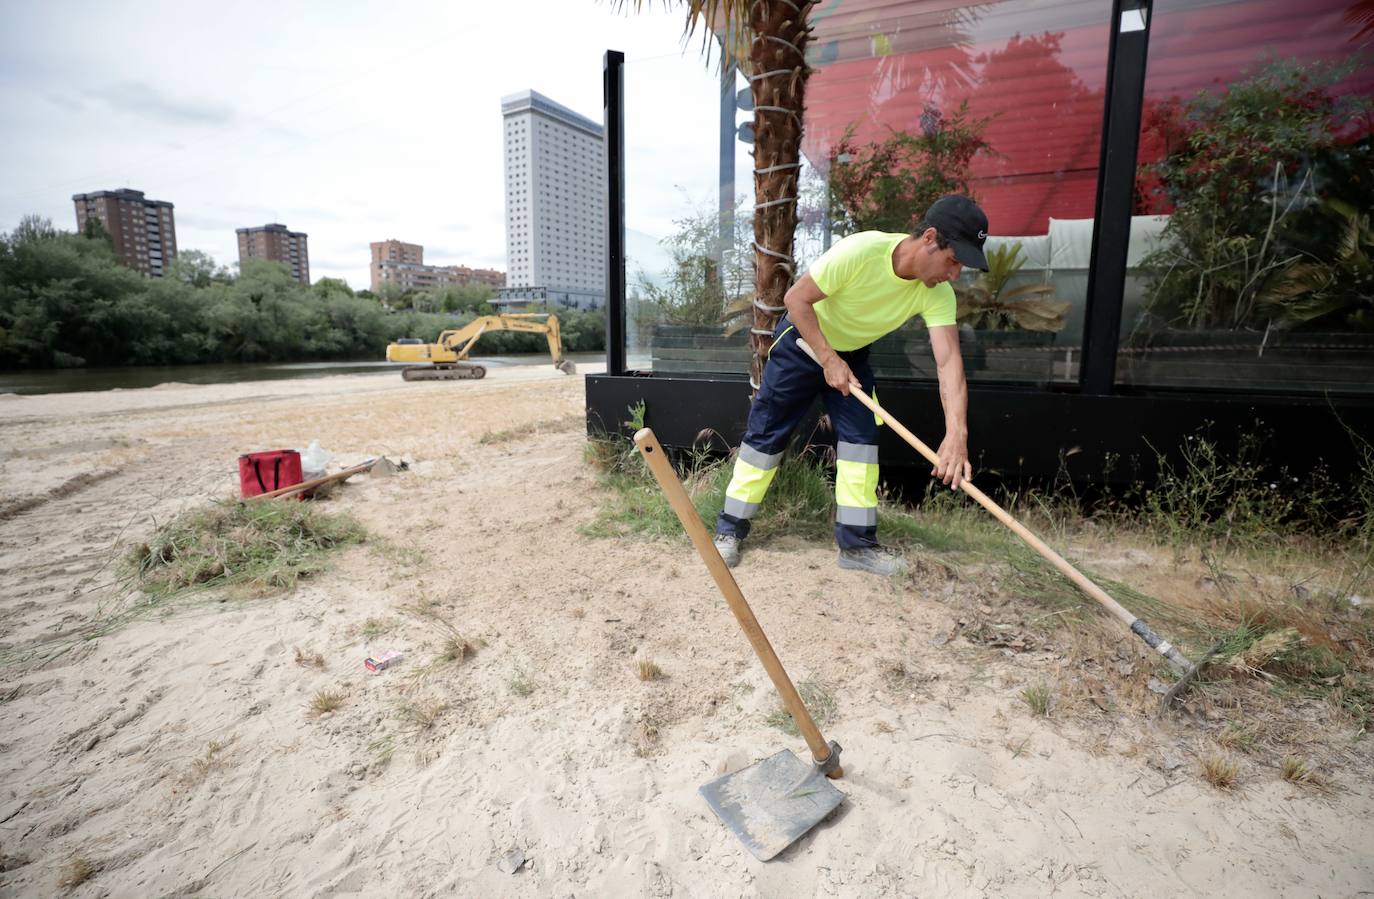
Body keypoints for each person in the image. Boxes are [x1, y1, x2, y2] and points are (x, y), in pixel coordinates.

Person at [712, 194, 989, 575]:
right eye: (953, 260)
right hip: (803, 344)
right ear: (929, 238)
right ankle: (729, 530)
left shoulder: (936, 293)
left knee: (861, 441)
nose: (955, 274)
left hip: (852, 355)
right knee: (766, 435)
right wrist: (828, 359)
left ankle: (857, 547)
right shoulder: (862, 251)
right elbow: (796, 300)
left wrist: (957, 433)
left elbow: (949, 361)